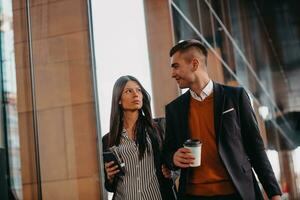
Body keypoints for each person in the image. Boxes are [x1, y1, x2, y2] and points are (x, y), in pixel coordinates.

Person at [162, 39, 282, 200]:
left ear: (194, 64)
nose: (172, 74)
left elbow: (256, 148)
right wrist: (173, 158)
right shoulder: (174, 109)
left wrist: (274, 193)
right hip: (194, 196)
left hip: (236, 193)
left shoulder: (236, 97)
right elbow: (168, 151)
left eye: (176, 66)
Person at [102, 75, 176, 200]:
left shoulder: (160, 128)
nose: (135, 94)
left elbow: (174, 159)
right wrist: (109, 177)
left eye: (138, 90)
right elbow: (110, 187)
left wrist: (172, 173)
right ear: (118, 100)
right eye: (128, 91)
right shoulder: (108, 139)